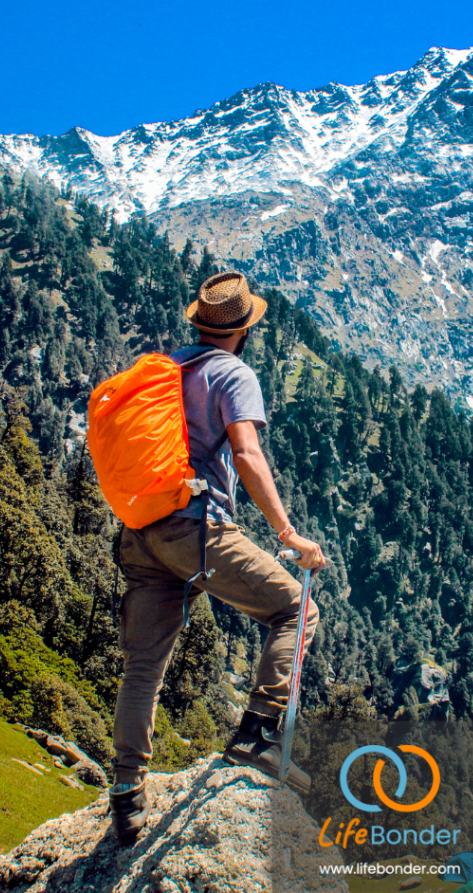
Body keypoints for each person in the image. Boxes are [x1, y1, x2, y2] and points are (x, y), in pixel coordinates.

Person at [109, 271, 326, 844]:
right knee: (294, 610)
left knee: (143, 668)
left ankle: (126, 796)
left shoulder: (169, 368)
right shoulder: (233, 372)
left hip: (142, 531)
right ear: (244, 330)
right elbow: (247, 454)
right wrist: (288, 534)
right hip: (196, 528)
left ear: (199, 323)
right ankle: (256, 736)